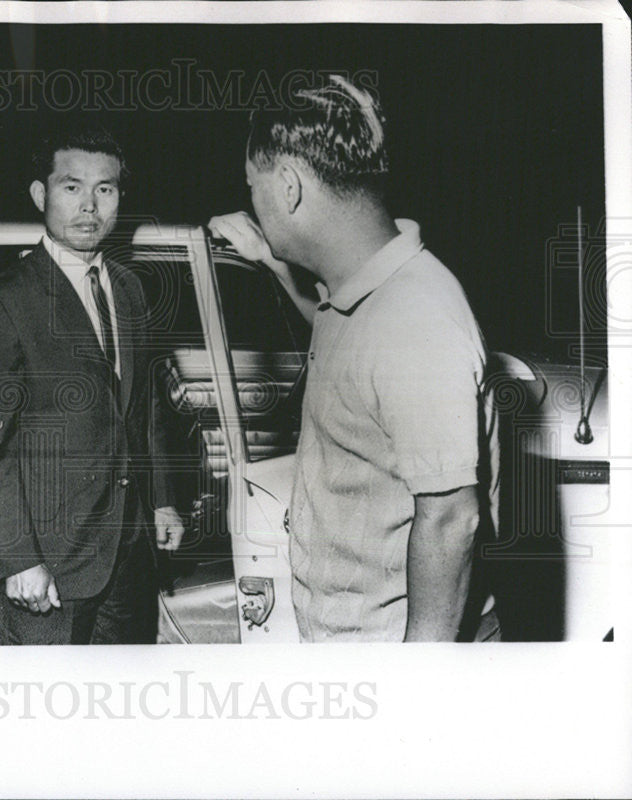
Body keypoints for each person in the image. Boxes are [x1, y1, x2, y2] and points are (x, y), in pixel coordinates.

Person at [210, 75, 499, 642]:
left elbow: (451, 519)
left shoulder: (416, 316)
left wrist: (412, 694)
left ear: (289, 187)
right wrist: (270, 261)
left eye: (254, 188)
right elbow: (342, 341)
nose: (254, 204)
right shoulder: (364, 295)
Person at [0, 124, 184, 645]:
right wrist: (17, 560)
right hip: (49, 569)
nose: (90, 206)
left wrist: (164, 499)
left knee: (121, 710)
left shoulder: (129, 291)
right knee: (46, 715)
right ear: (41, 194)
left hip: (127, 559)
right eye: (72, 187)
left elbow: (146, 409)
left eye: (105, 189)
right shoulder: (1, 304)